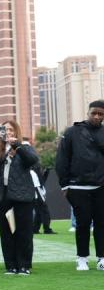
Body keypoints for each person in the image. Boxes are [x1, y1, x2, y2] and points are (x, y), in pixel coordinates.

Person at [0, 120, 40, 275]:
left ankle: (24, 265)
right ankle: (10, 265)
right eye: (4, 130)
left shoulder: (25, 147)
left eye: (10, 130)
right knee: (6, 232)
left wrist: (17, 146)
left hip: (22, 195)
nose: (7, 132)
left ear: (16, 132)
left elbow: (32, 161)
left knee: (24, 231)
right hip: (3, 195)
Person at [55, 100, 104, 271]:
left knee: (101, 223)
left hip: (100, 187)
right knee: (82, 223)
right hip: (78, 186)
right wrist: (64, 185)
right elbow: (61, 159)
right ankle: (82, 258)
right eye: (94, 113)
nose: (97, 116)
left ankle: (101, 258)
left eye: (101, 114)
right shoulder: (72, 132)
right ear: (88, 113)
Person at [31, 165, 54, 234]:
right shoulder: (34, 172)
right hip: (37, 193)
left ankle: (35, 229)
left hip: (36, 193)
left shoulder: (34, 171)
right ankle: (47, 229)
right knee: (45, 211)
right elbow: (37, 185)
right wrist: (41, 197)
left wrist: (46, 172)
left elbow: (42, 181)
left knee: (38, 212)